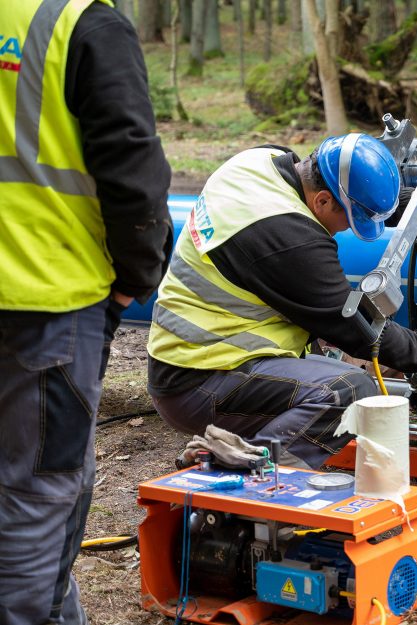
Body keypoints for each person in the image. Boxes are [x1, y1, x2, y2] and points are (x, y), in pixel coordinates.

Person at [0, 2, 173, 624]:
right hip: (48, 300)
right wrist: (135, 279)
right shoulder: (78, 22)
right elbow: (133, 168)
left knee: (58, 482)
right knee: (38, 491)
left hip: (42, 300)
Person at [147, 134, 417, 469]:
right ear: (323, 201)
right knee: (350, 390)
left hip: (191, 359)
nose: (347, 230)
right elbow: (352, 324)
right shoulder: (287, 238)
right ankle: (250, 478)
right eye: (352, 220)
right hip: (201, 382)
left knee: (337, 366)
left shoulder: (260, 161)